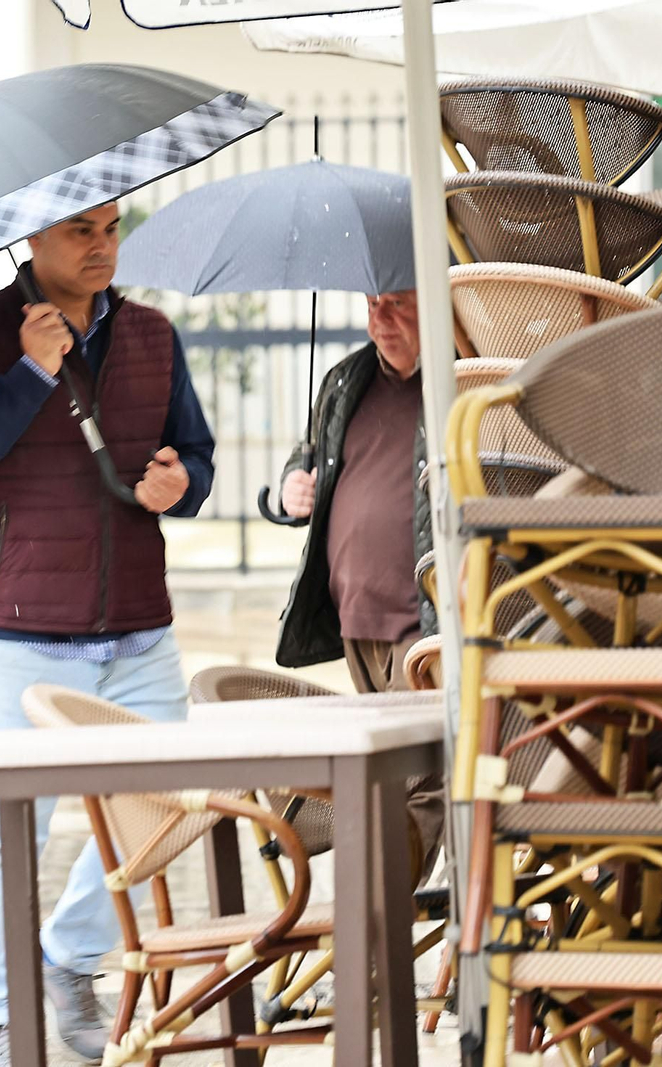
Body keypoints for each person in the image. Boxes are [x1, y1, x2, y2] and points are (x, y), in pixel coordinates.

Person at [0, 202, 216, 1067]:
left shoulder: (155, 335)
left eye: (112, 228)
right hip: (15, 631)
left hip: (135, 626)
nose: (103, 246)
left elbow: (192, 455)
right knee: (8, 827)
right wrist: (29, 373)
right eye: (82, 230)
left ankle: (68, 954)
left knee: (165, 807)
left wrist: (181, 483)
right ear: (35, 239)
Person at [274, 289, 443, 852]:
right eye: (372, 304)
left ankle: (380, 907)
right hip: (356, 624)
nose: (380, 319)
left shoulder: (457, 377)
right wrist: (294, 484)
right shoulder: (347, 379)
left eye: (397, 303)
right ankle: (393, 914)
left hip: (425, 624)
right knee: (393, 784)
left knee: (429, 785)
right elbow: (315, 456)